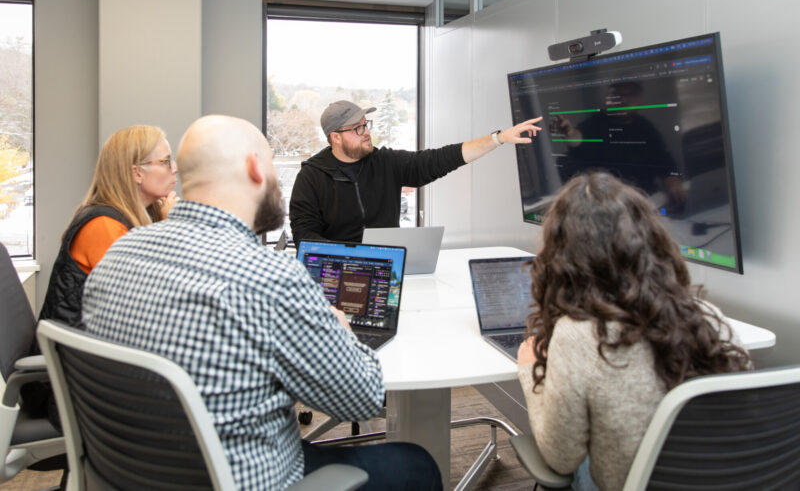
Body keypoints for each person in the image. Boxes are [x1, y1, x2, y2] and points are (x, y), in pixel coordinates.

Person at [83, 115, 442, 491]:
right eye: (272, 164)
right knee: (415, 465)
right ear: (256, 168)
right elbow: (362, 399)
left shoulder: (121, 252)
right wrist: (339, 330)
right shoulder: (268, 277)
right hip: (246, 480)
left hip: (136, 473)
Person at [515, 172, 751, 491]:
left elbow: (560, 458)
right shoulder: (707, 316)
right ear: (653, 242)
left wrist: (530, 370)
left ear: (561, 259)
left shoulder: (579, 335)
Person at [289, 100, 542, 243]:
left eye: (366, 125)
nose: (367, 132)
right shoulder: (311, 177)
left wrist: (498, 138)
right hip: (335, 274)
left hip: (389, 270)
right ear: (335, 137)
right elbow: (305, 236)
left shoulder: (385, 163)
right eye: (357, 128)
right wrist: (352, 256)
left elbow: (440, 159)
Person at [38, 125, 178, 328]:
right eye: (165, 161)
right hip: (77, 352)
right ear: (137, 172)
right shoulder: (103, 226)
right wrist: (169, 228)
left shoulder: (136, 217)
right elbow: (147, 299)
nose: (174, 168)